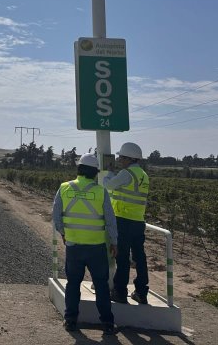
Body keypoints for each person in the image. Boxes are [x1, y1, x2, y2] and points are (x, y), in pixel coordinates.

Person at [53, 153, 118, 335]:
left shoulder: (64, 187)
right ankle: (107, 323)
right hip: (96, 248)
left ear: (79, 169)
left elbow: (56, 216)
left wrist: (64, 233)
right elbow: (110, 220)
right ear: (95, 172)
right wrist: (114, 242)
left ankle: (71, 320)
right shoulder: (100, 191)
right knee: (102, 286)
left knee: (73, 284)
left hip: (73, 247)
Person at [103, 141, 150, 305]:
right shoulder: (143, 175)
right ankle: (141, 292)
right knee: (140, 257)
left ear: (129, 158)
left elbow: (107, 186)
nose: (119, 160)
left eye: (121, 157)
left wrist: (108, 173)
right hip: (138, 221)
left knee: (122, 257)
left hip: (123, 220)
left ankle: (120, 292)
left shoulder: (126, 173)